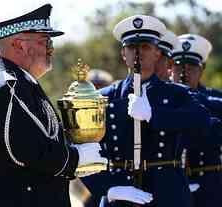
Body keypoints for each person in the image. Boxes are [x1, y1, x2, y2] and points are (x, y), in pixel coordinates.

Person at [0, 4, 107, 207]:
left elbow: (43, 138)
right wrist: (75, 158)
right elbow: (28, 149)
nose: (51, 48)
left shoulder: (21, 83)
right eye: (45, 41)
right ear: (20, 45)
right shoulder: (6, 88)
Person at [83, 15, 211, 207]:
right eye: (132, 47)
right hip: (120, 194)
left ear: (157, 53)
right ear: (123, 54)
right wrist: (107, 187)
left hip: (167, 193)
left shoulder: (177, 94)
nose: (138, 53)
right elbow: (80, 148)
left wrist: (154, 115)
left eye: (145, 47)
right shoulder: (104, 97)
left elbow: (203, 121)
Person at [171, 34, 222, 207]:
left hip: (211, 185)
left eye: (192, 67)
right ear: (170, 68)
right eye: (178, 67)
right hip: (173, 185)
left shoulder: (214, 99)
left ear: (202, 69)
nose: (184, 72)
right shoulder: (161, 99)